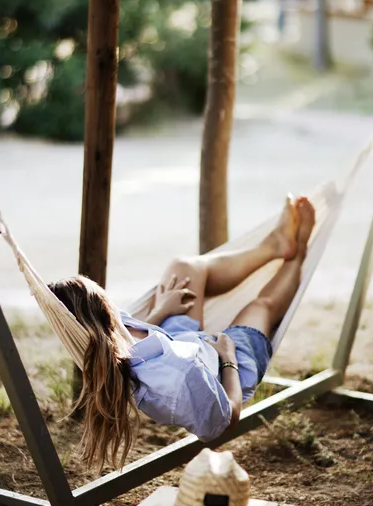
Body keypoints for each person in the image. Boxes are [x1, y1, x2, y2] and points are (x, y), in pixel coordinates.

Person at [48, 196, 315, 470]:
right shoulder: (179, 380)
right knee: (261, 306)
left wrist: (162, 310)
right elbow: (227, 419)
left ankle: (273, 246)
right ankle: (300, 254)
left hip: (182, 343)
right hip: (227, 368)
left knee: (184, 268)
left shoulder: (116, 329)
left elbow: (128, 346)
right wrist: (228, 357)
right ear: (101, 308)